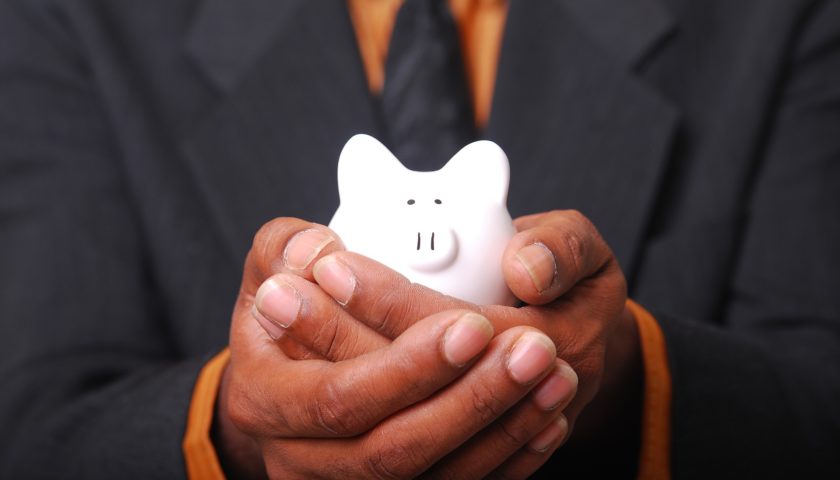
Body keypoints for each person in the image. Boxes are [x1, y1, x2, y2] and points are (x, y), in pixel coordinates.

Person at [1, 0, 839, 478]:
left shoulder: (776, 19)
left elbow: (818, 406)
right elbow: (36, 433)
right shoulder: (75, 18)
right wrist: (237, 429)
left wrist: (630, 368)